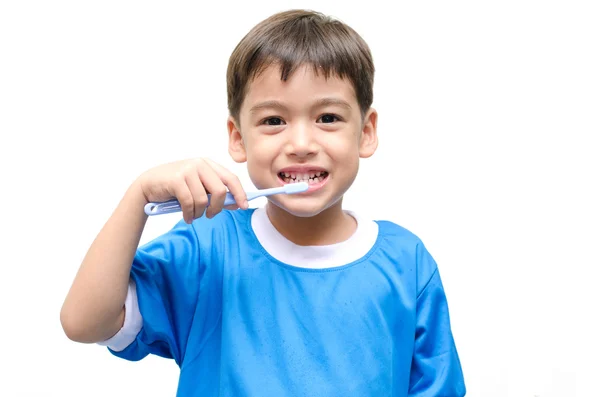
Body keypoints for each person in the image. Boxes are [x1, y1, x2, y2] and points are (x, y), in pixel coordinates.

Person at [60, 9, 466, 396]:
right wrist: (138, 196)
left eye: (328, 117)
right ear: (238, 138)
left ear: (367, 132)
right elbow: (84, 322)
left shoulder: (408, 262)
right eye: (274, 121)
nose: (302, 145)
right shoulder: (206, 248)